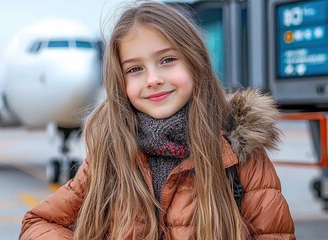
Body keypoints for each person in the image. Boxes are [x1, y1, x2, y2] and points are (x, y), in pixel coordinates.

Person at [19, 1, 295, 239]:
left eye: (167, 60)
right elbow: (38, 222)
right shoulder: (108, 155)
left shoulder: (240, 155)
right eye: (135, 69)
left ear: (194, 62)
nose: (153, 80)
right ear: (120, 81)